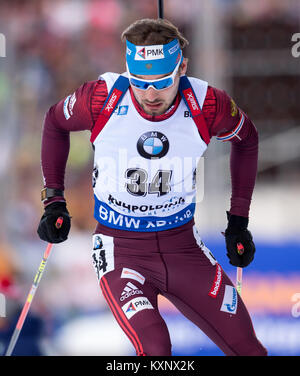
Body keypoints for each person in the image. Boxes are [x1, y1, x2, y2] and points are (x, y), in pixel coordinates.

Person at [37, 18, 267, 356]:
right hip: (121, 251)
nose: (149, 93)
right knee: (155, 349)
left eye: (161, 81)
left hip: (183, 249)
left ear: (182, 68)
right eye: (139, 81)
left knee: (248, 348)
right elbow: (55, 122)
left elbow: (247, 140)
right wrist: (54, 200)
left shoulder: (207, 103)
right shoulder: (103, 97)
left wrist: (238, 221)